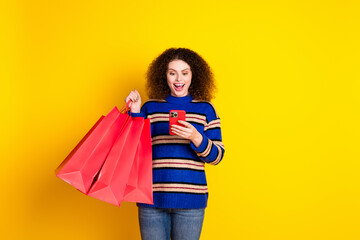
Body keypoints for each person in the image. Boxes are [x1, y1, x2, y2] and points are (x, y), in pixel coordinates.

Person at [125, 48, 225, 240]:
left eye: (185, 73)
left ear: (193, 75)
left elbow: (218, 156)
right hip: (150, 199)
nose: (178, 79)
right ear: (164, 75)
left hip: (191, 201)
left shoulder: (206, 109)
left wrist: (197, 138)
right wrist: (136, 114)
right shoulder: (150, 107)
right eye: (172, 72)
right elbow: (132, 151)